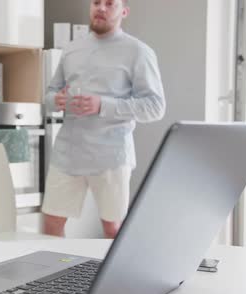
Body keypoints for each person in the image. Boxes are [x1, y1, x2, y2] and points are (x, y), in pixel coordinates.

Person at [42, 0, 165, 238]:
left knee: (113, 228)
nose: (101, 8)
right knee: (51, 225)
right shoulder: (71, 49)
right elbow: (49, 94)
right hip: (68, 152)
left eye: (110, 4)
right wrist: (56, 100)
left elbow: (155, 106)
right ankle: (57, 274)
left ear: (124, 11)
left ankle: (113, 276)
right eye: (96, 2)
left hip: (111, 155)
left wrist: (103, 105)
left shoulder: (139, 51)